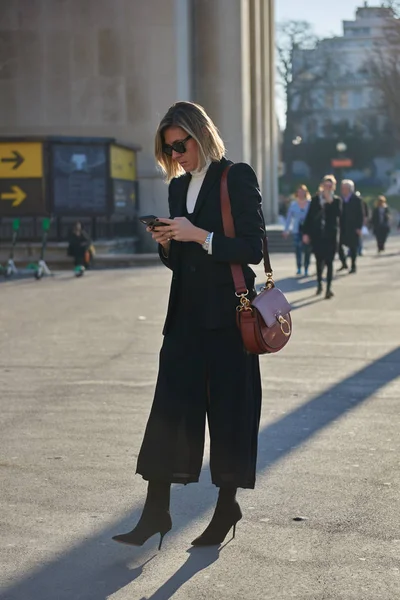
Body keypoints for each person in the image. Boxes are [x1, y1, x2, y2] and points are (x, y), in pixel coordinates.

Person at [112, 101, 265, 549]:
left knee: (229, 413)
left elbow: (253, 247)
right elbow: (181, 264)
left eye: (182, 144)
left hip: (228, 317)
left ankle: (226, 506)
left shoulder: (235, 175)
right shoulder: (179, 188)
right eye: (169, 149)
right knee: (169, 412)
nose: (178, 155)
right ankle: (155, 511)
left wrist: (199, 235)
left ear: (201, 134)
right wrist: (166, 243)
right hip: (184, 317)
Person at [302, 175, 342, 299]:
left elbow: (339, 215)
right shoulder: (315, 200)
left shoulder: (336, 200)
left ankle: (328, 288)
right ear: (322, 186)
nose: (328, 188)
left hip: (331, 236)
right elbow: (309, 217)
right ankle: (319, 284)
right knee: (319, 262)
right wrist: (306, 233)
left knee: (329, 262)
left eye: (330, 186)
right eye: (326, 186)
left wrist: (329, 202)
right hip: (318, 236)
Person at [283, 184, 311, 276]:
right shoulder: (293, 204)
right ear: (297, 194)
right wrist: (286, 230)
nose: (301, 194)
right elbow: (289, 218)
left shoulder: (309, 203)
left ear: (305, 193)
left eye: (303, 192)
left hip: (307, 230)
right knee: (298, 248)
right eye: (299, 192)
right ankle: (299, 267)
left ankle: (306, 267)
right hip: (297, 229)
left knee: (307, 249)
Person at [337, 180, 363, 274]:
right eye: (342, 188)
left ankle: (353, 265)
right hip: (342, 226)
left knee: (353, 247)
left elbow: (361, 214)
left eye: (345, 188)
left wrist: (359, 227)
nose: (343, 190)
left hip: (353, 227)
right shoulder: (340, 199)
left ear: (350, 189)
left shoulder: (357, 199)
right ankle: (344, 262)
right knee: (338, 245)